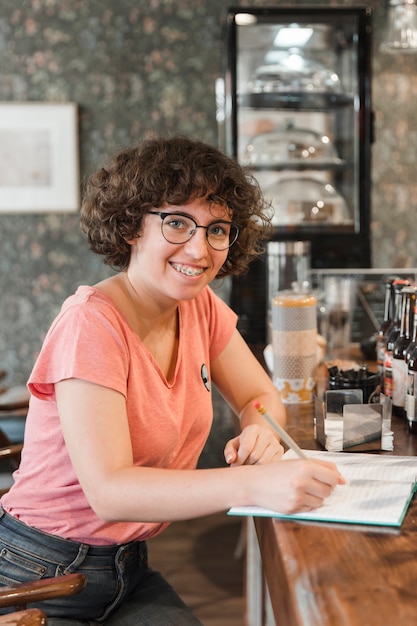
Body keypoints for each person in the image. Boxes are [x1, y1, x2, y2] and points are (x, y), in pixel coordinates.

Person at [0, 136, 343, 625]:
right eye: (177, 223)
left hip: (127, 565)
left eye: (217, 229)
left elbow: (258, 395)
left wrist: (261, 431)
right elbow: (110, 492)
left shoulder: (199, 307)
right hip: (38, 575)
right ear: (131, 225)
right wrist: (253, 484)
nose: (200, 249)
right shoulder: (90, 324)